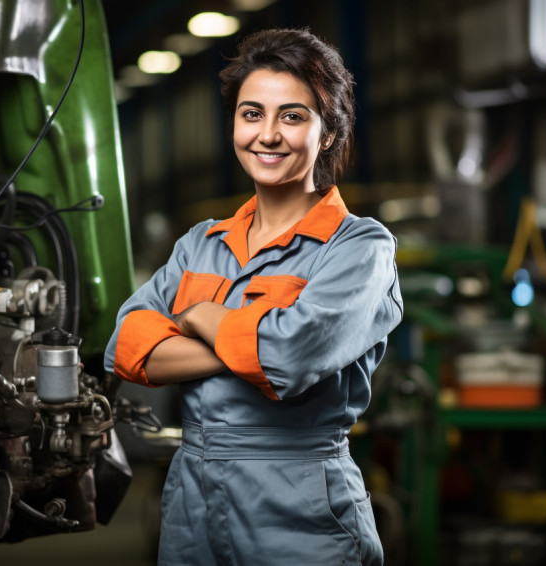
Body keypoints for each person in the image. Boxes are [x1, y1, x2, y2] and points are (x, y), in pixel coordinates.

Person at [105, 27, 403, 566]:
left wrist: (199, 315)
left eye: (292, 116)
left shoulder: (360, 249)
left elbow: (287, 358)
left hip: (300, 507)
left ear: (328, 132)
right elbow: (127, 345)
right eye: (251, 114)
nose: (267, 135)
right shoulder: (201, 243)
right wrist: (254, 340)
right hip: (192, 502)